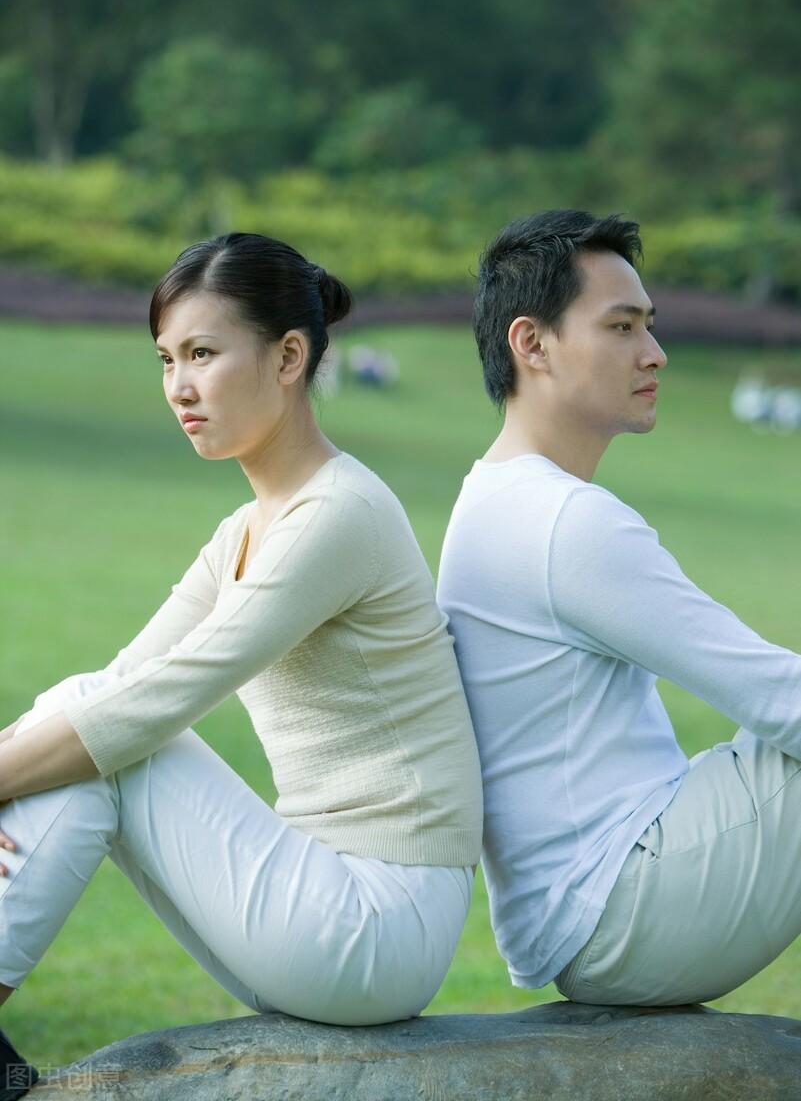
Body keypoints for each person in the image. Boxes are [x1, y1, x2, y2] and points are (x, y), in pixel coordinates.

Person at [0, 232, 483, 1098]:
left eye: (202, 354)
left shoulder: (340, 514)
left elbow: (153, 704)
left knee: (102, 733)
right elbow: (126, 681)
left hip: (380, 922)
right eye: (166, 360)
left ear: (289, 357)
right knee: (85, 716)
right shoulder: (245, 533)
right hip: (317, 910)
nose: (178, 387)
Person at [436, 208, 801, 1009]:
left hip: (591, 910)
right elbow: (775, 698)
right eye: (621, 326)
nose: (654, 352)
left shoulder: (495, 495)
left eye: (649, 325)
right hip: (620, 908)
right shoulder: (563, 521)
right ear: (531, 344)